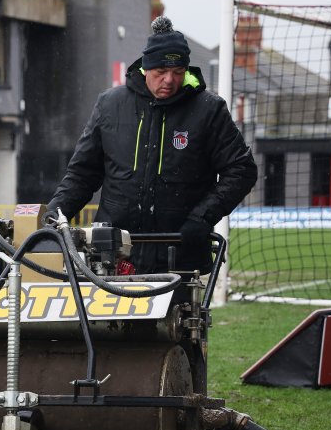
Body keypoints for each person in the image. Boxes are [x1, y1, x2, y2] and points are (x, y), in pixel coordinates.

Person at [47, 16, 257, 275]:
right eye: (160, 72)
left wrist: (202, 217)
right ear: (145, 68)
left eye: (178, 72)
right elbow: (82, 174)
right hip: (112, 260)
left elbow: (242, 170)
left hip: (182, 260)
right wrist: (52, 218)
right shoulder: (109, 105)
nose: (169, 79)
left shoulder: (209, 110)